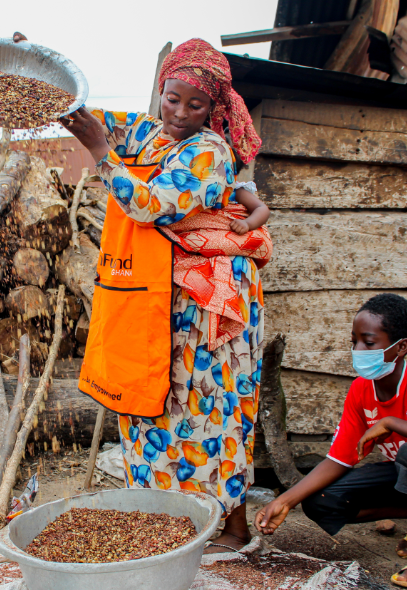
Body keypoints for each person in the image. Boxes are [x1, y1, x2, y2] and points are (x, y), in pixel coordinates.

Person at [60, 38, 272, 553]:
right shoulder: (150, 132)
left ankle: (235, 527)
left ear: (214, 108)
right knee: (155, 404)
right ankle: (171, 522)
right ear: (161, 91)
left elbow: (149, 204)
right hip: (155, 293)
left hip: (206, 307)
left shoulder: (209, 152)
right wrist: (46, 79)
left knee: (213, 409)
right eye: (172, 99)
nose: (180, 113)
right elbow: (81, 114)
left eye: (195, 105)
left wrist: (99, 154)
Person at [254, 294, 407, 589]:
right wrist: (285, 500)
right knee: (319, 501)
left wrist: (393, 423)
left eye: (368, 343)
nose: (358, 350)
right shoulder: (361, 391)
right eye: (353, 341)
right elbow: (339, 459)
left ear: (401, 347)